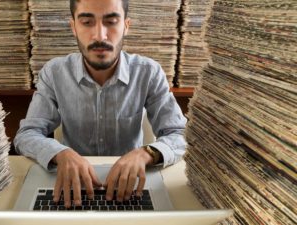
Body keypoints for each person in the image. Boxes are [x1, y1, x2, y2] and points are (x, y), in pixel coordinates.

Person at [14, 0, 187, 209]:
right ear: (74, 27)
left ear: (126, 25)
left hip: (130, 186)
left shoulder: (149, 72)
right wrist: (60, 153)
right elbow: (27, 134)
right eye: (87, 22)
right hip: (73, 184)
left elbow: (180, 134)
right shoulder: (54, 73)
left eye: (111, 21)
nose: (100, 36)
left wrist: (146, 153)